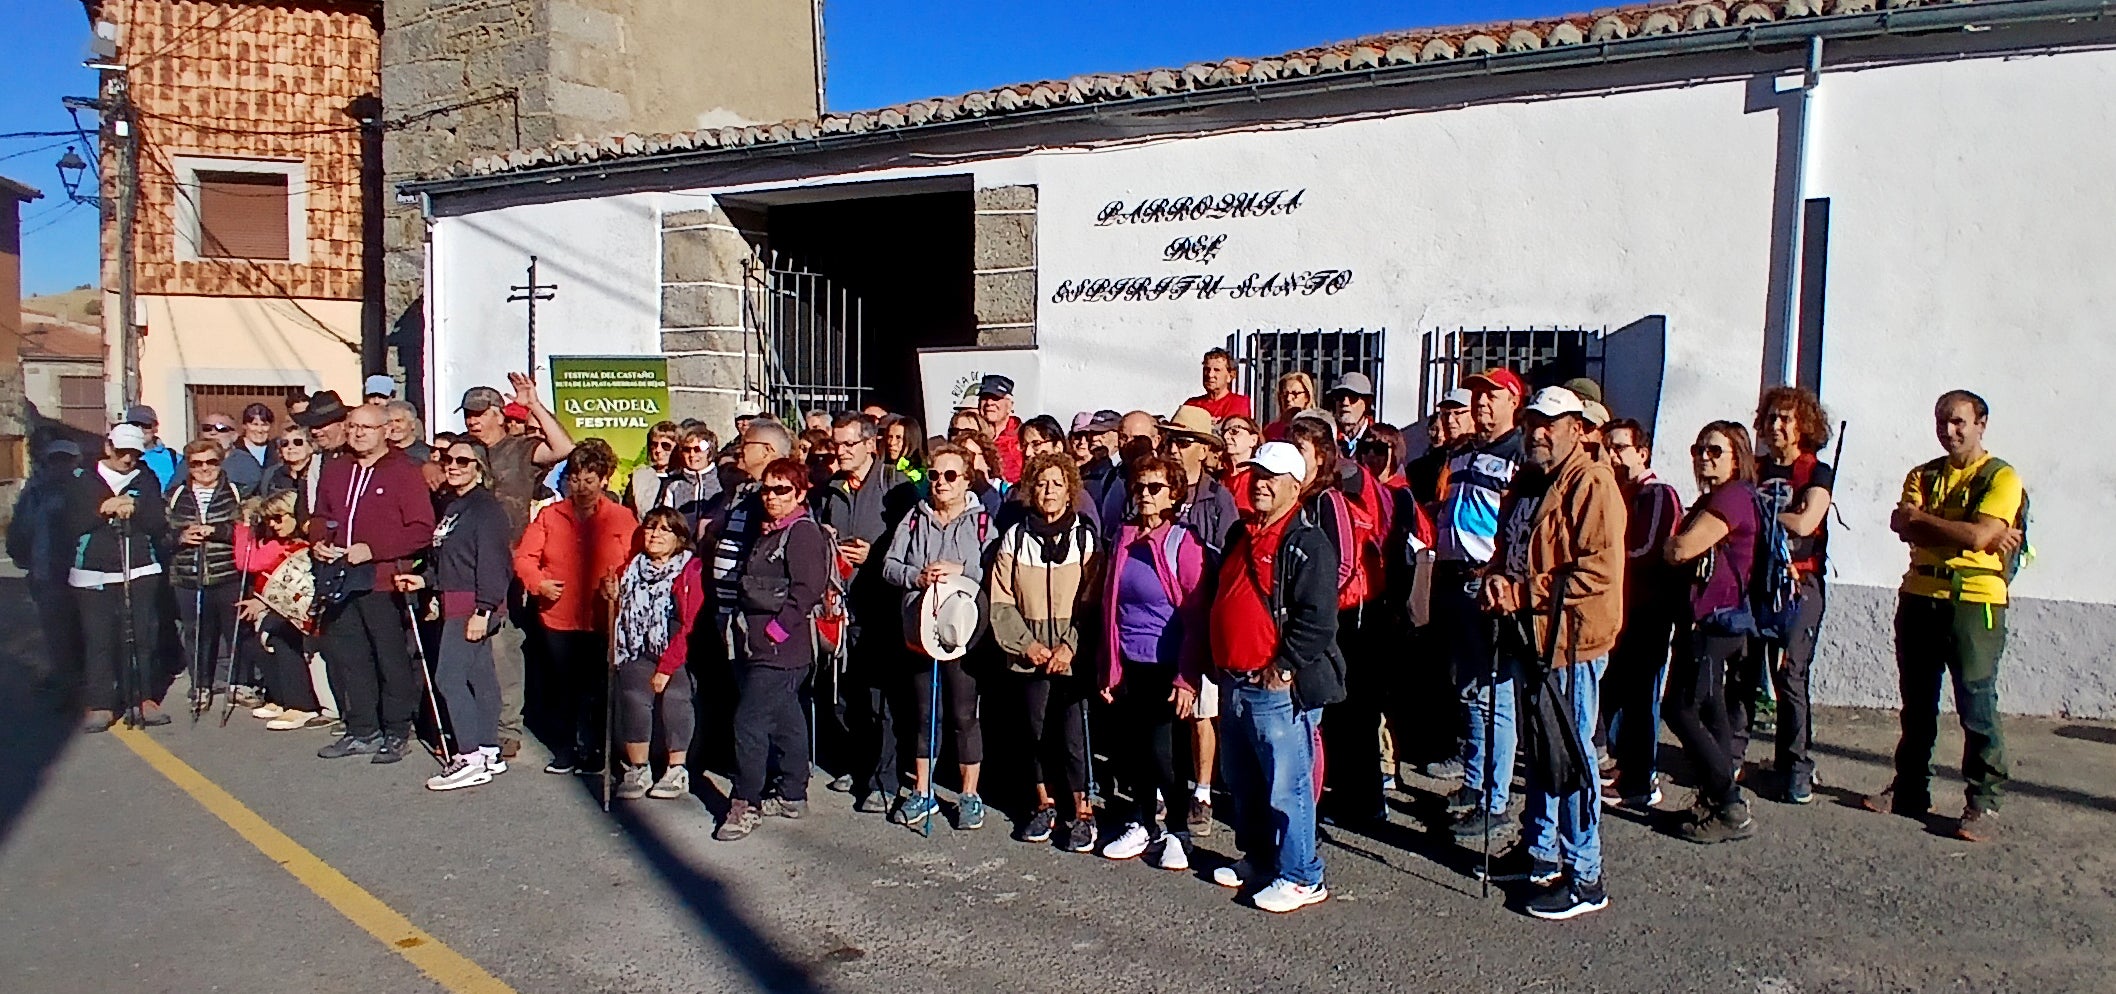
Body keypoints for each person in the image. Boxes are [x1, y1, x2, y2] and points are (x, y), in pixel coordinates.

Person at [1479, 387, 1624, 920]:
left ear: (1576, 429)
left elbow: (1596, 572)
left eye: (1550, 424)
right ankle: (1541, 851)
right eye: (1532, 422)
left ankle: (1585, 874)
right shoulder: (1528, 480)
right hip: (1531, 635)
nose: (1538, 432)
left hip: (1573, 640)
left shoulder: (1592, 483)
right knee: (1540, 752)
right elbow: (1508, 544)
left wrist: (1523, 592)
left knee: (1571, 753)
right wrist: (1495, 576)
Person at [1863, 390, 2024, 843]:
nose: (1949, 431)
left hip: (1975, 601)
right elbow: (1902, 524)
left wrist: (1932, 523)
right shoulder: (1923, 473)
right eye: (1942, 422)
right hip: (1919, 594)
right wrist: (1967, 533)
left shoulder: (2002, 476)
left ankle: (1983, 798)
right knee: (1917, 703)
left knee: (1976, 702)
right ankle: (1910, 788)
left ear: (1981, 424)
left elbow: (1978, 536)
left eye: (1958, 422)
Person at [1207, 441, 1342, 914]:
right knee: (1245, 780)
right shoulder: (1243, 534)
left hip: (1273, 684)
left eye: (1272, 476)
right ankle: (1261, 859)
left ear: (1295, 485)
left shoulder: (1307, 543)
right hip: (1234, 679)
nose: (1261, 482)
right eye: (1257, 473)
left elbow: (1318, 619)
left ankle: (1302, 874)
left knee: (1288, 784)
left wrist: (1283, 666)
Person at [1098, 453, 1211, 869]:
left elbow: (1197, 616)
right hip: (1128, 659)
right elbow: (1110, 606)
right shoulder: (1123, 537)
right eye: (1139, 487)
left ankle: (1178, 831)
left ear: (1174, 494)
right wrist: (1108, 667)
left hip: (1167, 662)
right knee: (1132, 751)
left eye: (1154, 488)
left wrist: (1186, 678)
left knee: (1165, 755)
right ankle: (1144, 821)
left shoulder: (1184, 543)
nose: (1144, 495)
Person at [310, 403, 437, 763]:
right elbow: (321, 515)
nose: (358, 433)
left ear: (385, 431)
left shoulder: (404, 473)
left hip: (382, 580)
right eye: (352, 427)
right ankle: (362, 729)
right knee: (351, 657)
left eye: (366, 427)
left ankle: (396, 731)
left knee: (391, 659)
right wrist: (318, 539)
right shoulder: (336, 470)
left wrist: (374, 549)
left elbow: (421, 531)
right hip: (340, 578)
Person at [990, 451, 1102, 850]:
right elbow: (1001, 601)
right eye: (1040, 483)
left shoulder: (1086, 539)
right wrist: (1028, 646)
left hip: (1072, 657)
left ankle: (1082, 811)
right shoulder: (1014, 539)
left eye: (1057, 483)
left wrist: (1070, 647)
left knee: (1073, 736)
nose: (1048, 491)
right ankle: (1044, 805)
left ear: (1070, 489)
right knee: (1033, 732)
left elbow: (1092, 601)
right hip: (1029, 655)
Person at [715, 458, 831, 841]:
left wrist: (776, 633)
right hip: (759, 641)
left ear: (800, 493)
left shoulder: (802, 534)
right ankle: (793, 792)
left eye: (782, 489)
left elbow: (806, 590)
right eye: (767, 488)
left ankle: (745, 802)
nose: (773, 497)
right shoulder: (769, 530)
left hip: (782, 648)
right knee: (785, 717)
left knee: (748, 722)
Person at [461, 375, 576, 761]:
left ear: (497, 413)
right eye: (468, 415)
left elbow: (564, 448)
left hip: (510, 563)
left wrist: (534, 406)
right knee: (468, 646)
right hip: (466, 562)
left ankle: (507, 727)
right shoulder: (465, 453)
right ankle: (475, 720)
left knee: (503, 648)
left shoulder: (521, 449)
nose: (473, 421)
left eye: (480, 414)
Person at [881, 442, 992, 831]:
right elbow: (890, 566)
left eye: (950, 476)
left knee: (964, 714)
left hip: (962, 631)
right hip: (919, 628)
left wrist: (960, 570)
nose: (941, 483)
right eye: (934, 475)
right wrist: (917, 576)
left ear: (966, 480)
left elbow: (993, 569)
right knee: (926, 714)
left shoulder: (981, 521)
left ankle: (969, 795)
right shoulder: (914, 517)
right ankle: (924, 792)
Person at [815, 412, 921, 813]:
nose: (839, 452)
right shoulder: (832, 490)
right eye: (836, 444)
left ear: (869, 444)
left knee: (883, 699)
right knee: (849, 694)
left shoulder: (897, 486)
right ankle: (858, 764)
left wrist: (872, 556)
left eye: (847, 445)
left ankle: (885, 779)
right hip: (843, 606)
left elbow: (912, 547)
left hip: (884, 606)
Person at [1662, 420, 1763, 843]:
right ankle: (1714, 797)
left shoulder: (1734, 497)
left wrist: (1672, 545)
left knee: (1680, 708)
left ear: (1737, 457)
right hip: (1706, 618)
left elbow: (1682, 549)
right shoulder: (1715, 498)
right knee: (1711, 709)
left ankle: (1729, 804)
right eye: (1699, 449)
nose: (1705, 457)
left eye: (1716, 451)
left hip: (1716, 620)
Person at [1435, 367, 1526, 823]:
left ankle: (1496, 798)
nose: (1481, 404)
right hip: (1453, 575)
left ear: (1513, 401)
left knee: (1495, 691)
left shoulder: (1519, 453)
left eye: (1491, 396)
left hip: (1487, 578)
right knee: (1469, 689)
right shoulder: (1464, 452)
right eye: (1477, 397)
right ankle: (1474, 781)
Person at [515, 438, 638, 775]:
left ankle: (598, 749)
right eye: (575, 479)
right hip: (559, 617)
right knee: (563, 686)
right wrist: (538, 582)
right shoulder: (550, 517)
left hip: (603, 615)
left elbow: (635, 560)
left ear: (603, 480)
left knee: (599, 687)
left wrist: (621, 584)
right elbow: (525, 557)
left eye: (589, 479)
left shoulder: (621, 518)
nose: (581, 487)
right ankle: (566, 747)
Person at [397, 439, 513, 790]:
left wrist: (484, 609)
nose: (453, 465)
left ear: (479, 467)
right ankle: (488, 748)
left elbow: (494, 563)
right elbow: (449, 560)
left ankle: (470, 754)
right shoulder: (453, 505)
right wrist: (423, 579)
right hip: (454, 598)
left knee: (448, 677)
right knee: (479, 677)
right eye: (448, 459)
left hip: (473, 604)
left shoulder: (486, 509)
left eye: (464, 460)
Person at [1751, 387, 1835, 804]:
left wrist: (1757, 514)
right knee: (1745, 670)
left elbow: (1805, 523)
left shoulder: (1815, 472)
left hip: (1800, 584)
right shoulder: (1755, 468)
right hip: (1756, 581)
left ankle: (1797, 765)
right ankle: (1731, 757)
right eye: (1771, 418)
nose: (1776, 426)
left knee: (1790, 675)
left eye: (1786, 419)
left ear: (1804, 426)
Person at [1598, 418, 1685, 808]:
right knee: (1615, 691)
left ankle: (1641, 780)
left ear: (1642, 452)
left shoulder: (1658, 494)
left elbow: (1649, 548)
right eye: (1609, 448)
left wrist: (1605, 564)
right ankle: (1626, 767)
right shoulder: (1619, 492)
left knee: (1641, 695)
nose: (1613, 455)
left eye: (1621, 447)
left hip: (1648, 608)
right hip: (1620, 609)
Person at [69, 424, 172, 731]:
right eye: (123, 451)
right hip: (93, 571)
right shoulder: (82, 478)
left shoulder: (146, 478)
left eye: (135, 453)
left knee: (142, 637)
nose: (128, 459)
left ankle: (143, 697)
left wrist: (135, 506)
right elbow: (71, 521)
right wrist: (104, 509)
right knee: (100, 639)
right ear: (108, 447)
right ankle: (101, 702)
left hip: (139, 567)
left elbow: (156, 521)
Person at [608, 507, 706, 802]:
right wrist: (610, 594)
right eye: (651, 527)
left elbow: (689, 623)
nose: (655, 535)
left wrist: (667, 666)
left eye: (665, 529)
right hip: (636, 647)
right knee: (634, 698)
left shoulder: (691, 569)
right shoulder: (632, 567)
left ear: (679, 537)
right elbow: (621, 609)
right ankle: (638, 768)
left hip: (676, 650)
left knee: (676, 700)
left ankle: (676, 770)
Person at [231, 490, 327, 729]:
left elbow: (249, 563)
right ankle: (281, 697)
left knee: (283, 637)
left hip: (310, 613)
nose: (273, 526)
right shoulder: (280, 542)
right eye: (269, 521)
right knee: (261, 638)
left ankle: (301, 705)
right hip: (284, 606)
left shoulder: (301, 545)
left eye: (278, 518)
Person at [166, 438, 245, 710]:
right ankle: (200, 684)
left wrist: (217, 532)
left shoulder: (235, 492)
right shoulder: (176, 495)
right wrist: (181, 536)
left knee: (234, 631)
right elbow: (162, 533)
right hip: (189, 575)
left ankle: (238, 682)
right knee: (196, 632)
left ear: (220, 462)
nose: (204, 468)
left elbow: (245, 530)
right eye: (197, 464)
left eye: (211, 462)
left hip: (227, 573)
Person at [9, 439, 85, 695]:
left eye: (67, 459)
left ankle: (84, 680)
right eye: (56, 459)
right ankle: (64, 679)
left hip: (83, 570)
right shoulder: (35, 492)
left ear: (77, 461)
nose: (62, 465)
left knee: (85, 628)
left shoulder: (88, 488)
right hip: (46, 571)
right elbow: (20, 529)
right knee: (56, 630)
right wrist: (23, 559)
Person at [261, 424, 324, 521]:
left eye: (297, 442)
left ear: (311, 446)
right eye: (285, 443)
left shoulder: (320, 472)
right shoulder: (273, 475)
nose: (290, 447)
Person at [974, 375, 1024, 484]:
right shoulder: (972, 437)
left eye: (996, 398)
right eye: (984, 397)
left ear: (1010, 405)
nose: (989, 403)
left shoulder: (1023, 436)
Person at [627, 421, 681, 515]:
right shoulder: (639, 477)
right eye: (654, 445)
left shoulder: (685, 478)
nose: (658, 450)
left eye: (666, 446)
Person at [1184, 347, 1253, 420]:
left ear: (1230, 375)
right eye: (1207, 369)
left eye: (1217, 370)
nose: (1210, 375)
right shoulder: (1191, 405)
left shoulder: (1240, 404)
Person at [122, 404, 180, 485]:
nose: (139, 429)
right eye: (134, 425)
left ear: (155, 427)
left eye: (145, 425)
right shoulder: (118, 456)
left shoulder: (175, 458)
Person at [222, 406, 274, 496]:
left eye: (264, 424)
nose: (260, 430)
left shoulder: (277, 450)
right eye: (255, 424)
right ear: (244, 426)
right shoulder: (232, 451)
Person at [1219, 414, 1262, 516]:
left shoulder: (1259, 478)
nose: (1226, 437)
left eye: (1235, 431)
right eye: (1223, 432)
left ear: (1253, 440)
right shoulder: (1217, 477)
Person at [1326, 372, 1377, 455]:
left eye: (1353, 397)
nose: (1345, 403)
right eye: (1340, 396)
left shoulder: (1378, 438)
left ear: (1367, 402)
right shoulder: (1326, 436)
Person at [1263, 372, 1320, 442]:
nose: (1288, 398)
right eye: (1284, 394)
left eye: (1295, 393)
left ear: (1307, 397)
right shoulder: (1271, 430)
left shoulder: (1317, 429)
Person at [296, 391, 352, 458]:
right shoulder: (317, 458)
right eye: (311, 426)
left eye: (321, 425)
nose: (314, 431)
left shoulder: (358, 457)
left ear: (343, 424)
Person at [878, 413, 926, 484]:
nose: (892, 443)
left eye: (898, 438)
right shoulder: (880, 470)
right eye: (890, 437)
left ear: (911, 440)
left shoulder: (921, 474)